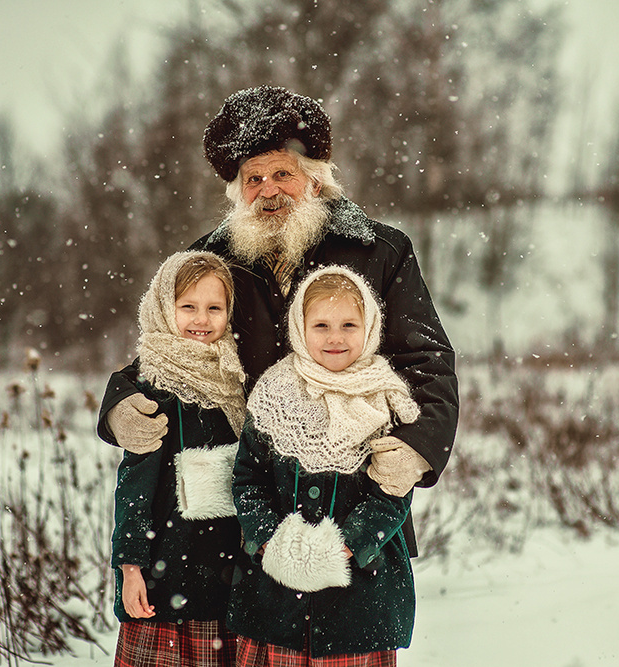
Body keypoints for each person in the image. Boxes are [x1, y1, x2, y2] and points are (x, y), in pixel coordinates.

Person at [98, 85, 458, 555]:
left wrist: (419, 447)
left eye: (282, 173)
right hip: (251, 509)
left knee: (359, 627)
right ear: (237, 191)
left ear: (315, 181)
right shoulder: (210, 259)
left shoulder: (380, 252)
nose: (267, 190)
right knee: (260, 628)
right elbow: (172, 349)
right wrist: (119, 402)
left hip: (356, 502)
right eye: (253, 179)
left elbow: (427, 359)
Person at [230, 265, 421, 665]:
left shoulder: (386, 399)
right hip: (275, 600)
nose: (335, 337)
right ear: (300, 328)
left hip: (360, 605)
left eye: (349, 324)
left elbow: (393, 491)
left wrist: (351, 543)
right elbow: (248, 477)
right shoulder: (272, 393)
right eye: (321, 325)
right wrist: (267, 538)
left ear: (370, 327)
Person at [105, 251, 246, 667]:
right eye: (188, 307)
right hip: (167, 577)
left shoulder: (237, 379)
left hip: (227, 577)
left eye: (214, 308)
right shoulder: (152, 386)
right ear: (165, 308)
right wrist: (131, 567)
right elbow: (135, 487)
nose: (201, 320)